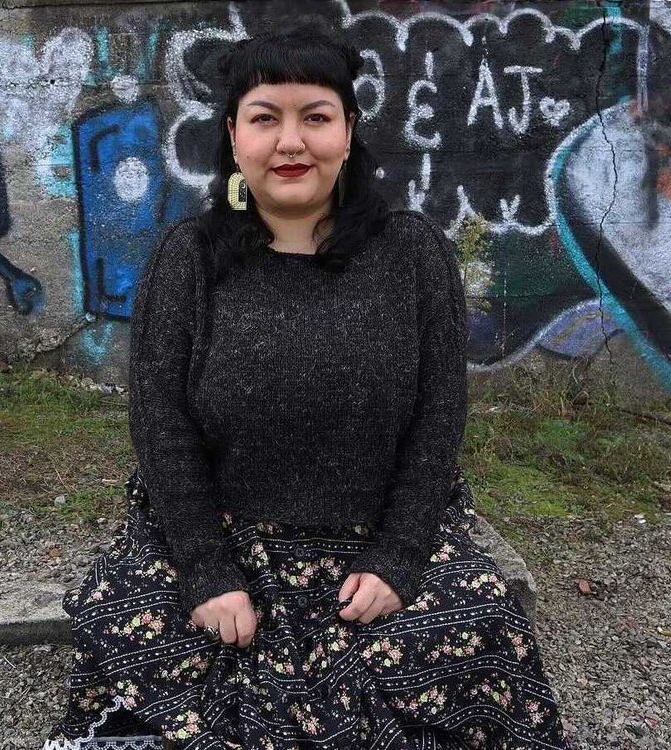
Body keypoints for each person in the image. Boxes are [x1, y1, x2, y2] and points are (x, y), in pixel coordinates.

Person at [45, 17, 571, 750]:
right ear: (233, 136)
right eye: (265, 118)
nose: (290, 142)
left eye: (316, 118)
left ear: (348, 131)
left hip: (372, 537)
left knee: (476, 623)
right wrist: (205, 568)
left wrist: (398, 558)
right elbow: (161, 425)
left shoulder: (413, 256)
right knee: (129, 619)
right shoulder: (188, 258)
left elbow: (438, 419)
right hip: (229, 536)